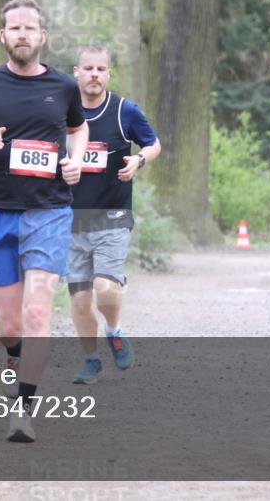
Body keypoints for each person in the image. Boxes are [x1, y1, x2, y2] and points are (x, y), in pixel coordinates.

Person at [0, 0, 89, 443]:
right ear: (3, 36)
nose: (22, 34)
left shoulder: (64, 87)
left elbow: (78, 130)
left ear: (42, 36)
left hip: (49, 211)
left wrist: (74, 161)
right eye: (14, 28)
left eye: (29, 28)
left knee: (38, 309)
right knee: (9, 326)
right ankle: (16, 357)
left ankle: (23, 409)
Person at [65, 45, 160, 385]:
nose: (93, 74)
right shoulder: (63, 111)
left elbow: (153, 143)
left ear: (108, 73)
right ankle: (91, 360)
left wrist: (139, 160)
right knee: (78, 300)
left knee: (105, 287)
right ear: (76, 71)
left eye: (100, 69)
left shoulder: (124, 111)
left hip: (113, 216)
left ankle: (114, 330)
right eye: (87, 68)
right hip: (70, 220)